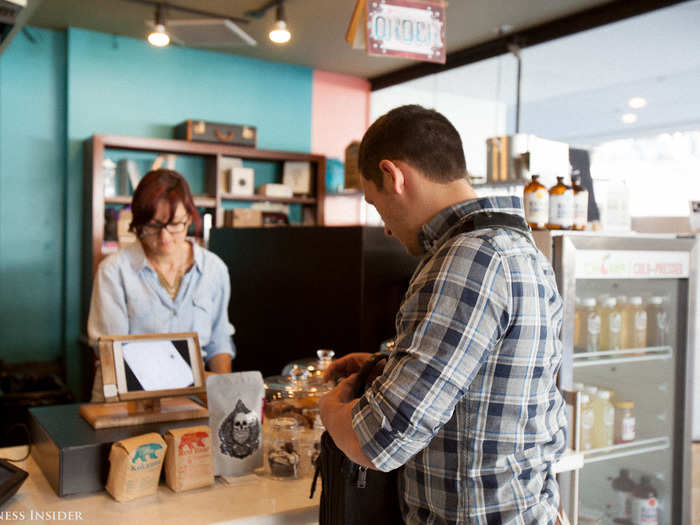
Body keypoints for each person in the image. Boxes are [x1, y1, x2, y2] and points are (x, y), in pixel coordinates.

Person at [319, 105, 567, 524]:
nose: (387, 229)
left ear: (393, 176)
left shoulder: (470, 257)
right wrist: (388, 369)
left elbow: (379, 439)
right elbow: (489, 390)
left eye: (379, 207)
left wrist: (331, 410)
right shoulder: (520, 248)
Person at [88, 169, 235, 401]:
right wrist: (190, 379)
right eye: (154, 226)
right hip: (127, 405)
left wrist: (222, 394)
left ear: (189, 217)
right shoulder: (114, 272)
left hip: (193, 404)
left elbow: (219, 342)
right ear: (138, 222)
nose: (165, 238)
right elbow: (112, 355)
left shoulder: (214, 270)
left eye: (175, 224)